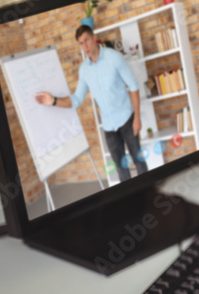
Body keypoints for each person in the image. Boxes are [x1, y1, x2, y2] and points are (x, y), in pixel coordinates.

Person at [35, 24, 148, 182]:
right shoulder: (84, 70)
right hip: (109, 126)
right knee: (121, 169)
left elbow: (134, 87)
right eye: (81, 43)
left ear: (94, 38)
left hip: (127, 119)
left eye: (87, 40)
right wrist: (52, 100)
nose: (85, 46)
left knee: (139, 162)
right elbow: (76, 100)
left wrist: (137, 118)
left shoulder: (114, 57)